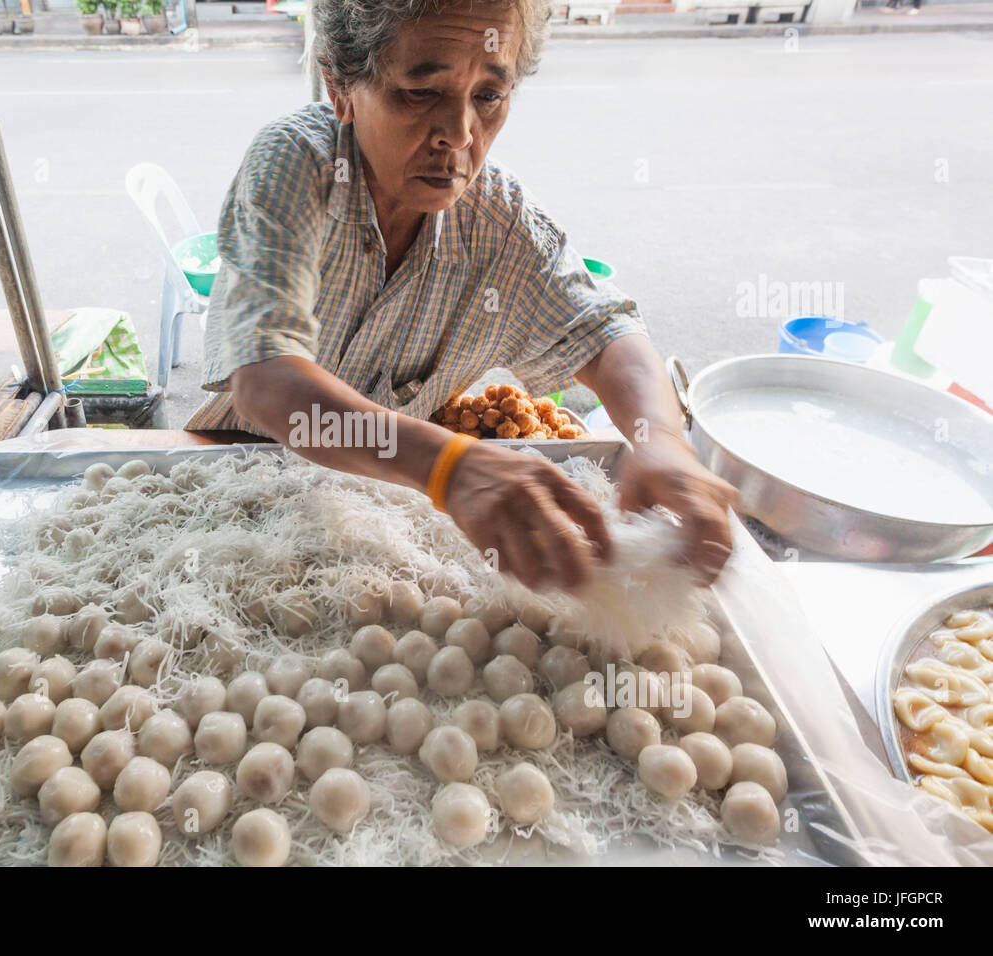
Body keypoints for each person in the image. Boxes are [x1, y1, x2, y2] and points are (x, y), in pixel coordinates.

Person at [187, 0, 737, 592]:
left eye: (488, 97)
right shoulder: (298, 164)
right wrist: (449, 466)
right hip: (231, 492)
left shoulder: (495, 220)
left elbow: (605, 332)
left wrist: (663, 442)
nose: (459, 134)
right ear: (341, 85)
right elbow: (267, 379)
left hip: (365, 518)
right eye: (422, 92)